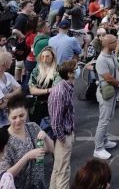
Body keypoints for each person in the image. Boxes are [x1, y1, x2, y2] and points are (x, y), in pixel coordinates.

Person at [2, 99, 53, 189]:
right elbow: (5, 175)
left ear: (26, 112)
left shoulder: (33, 127)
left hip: (39, 183)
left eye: (21, 116)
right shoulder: (4, 140)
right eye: (14, 117)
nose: (18, 120)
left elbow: (51, 149)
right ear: (8, 117)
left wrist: (46, 137)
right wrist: (27, 157)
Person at [48, 60, 77, 189]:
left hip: (66, 133)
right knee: (63, 172)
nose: (77, 71)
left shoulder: (66, 87)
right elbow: (55, 122)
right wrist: (63, 139)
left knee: (58, 169)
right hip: (63, 136)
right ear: (69, 74)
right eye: (75, 69)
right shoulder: (60, 92)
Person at [94, 32, 119, 161]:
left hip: (113, 91)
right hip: (106, 91)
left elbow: (117, 68)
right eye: (115, 41)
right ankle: (98, 148)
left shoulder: (111, 55)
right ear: (109, 44)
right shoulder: (101, 60)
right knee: (103, 120)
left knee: (108, 117)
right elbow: (108, 78)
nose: (117, 43)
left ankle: (104, 141)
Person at [28, 46, 58, 125]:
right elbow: (32, 90)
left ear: (53, 58)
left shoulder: (57, 71)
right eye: (43, 56)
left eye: (47, 56)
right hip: (36, 106)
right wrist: (48, 90)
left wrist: (38, 91)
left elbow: (55, 90)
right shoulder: (36, 70)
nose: (45, 59)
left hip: (52, 106)